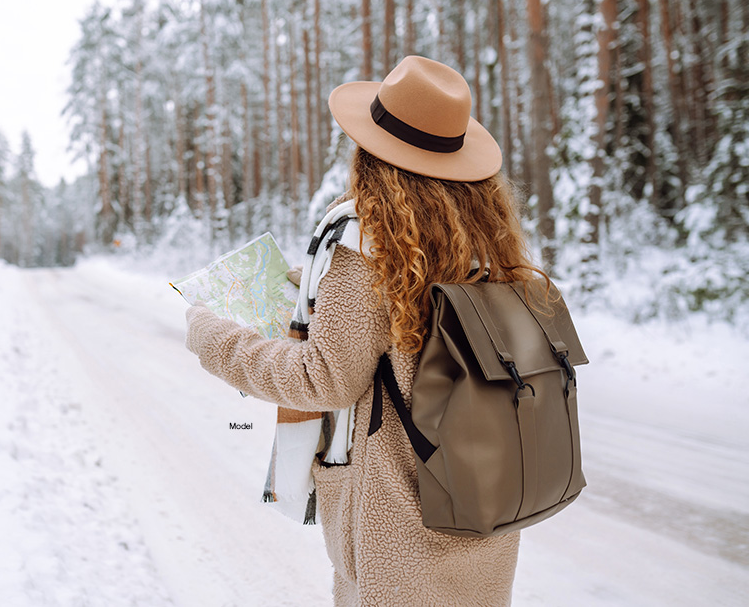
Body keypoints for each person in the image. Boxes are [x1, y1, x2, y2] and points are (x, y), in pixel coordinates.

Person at [185, 56, 538, 606]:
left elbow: (325, 378)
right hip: (483, 514)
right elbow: (404, 318)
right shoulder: (483, 240)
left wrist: (215, 339)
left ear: (372, 153)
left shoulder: (369, 240)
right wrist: (314, 288)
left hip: (398, 533)